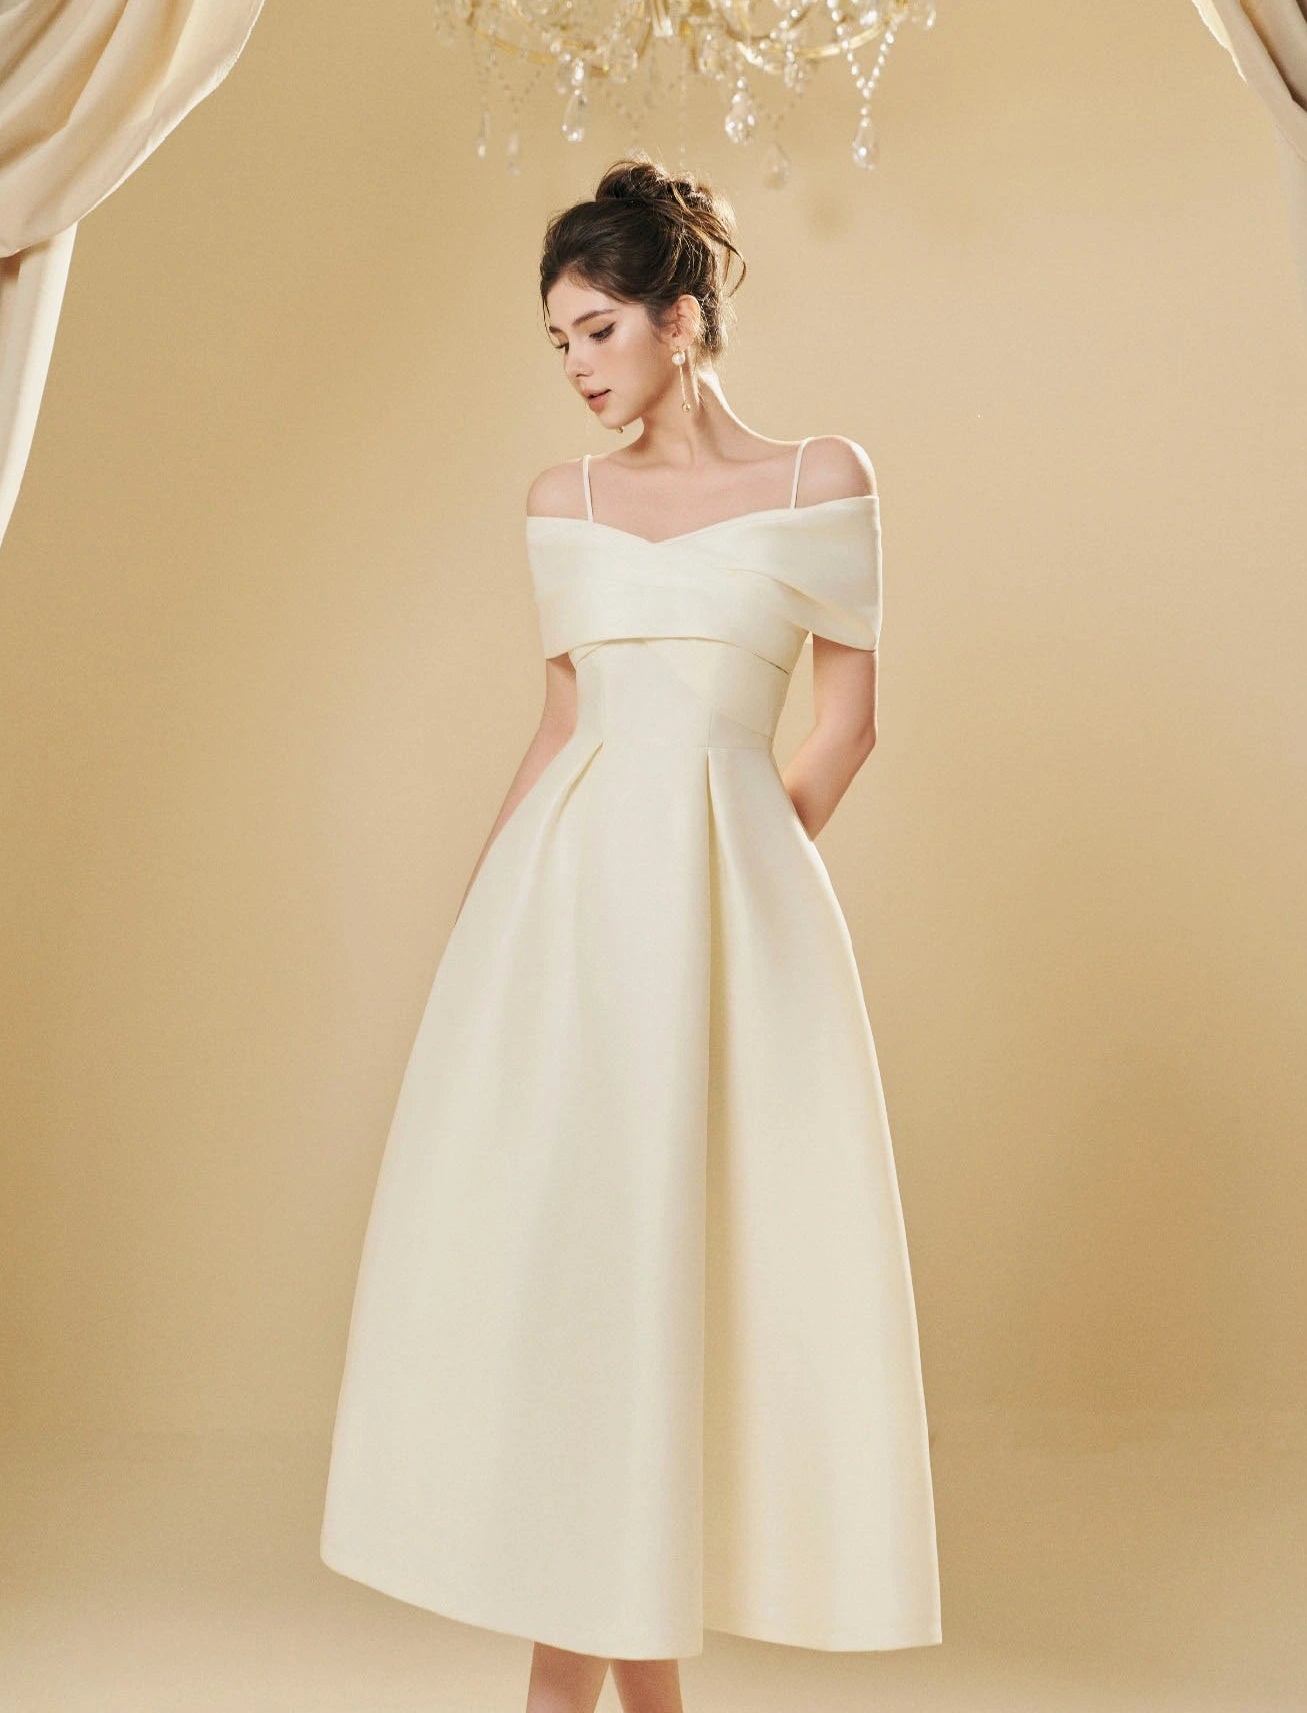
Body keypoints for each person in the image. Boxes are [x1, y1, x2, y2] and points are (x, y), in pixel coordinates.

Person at [320, 157, 942, 1713]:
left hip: (726, 931)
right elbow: (560, 728)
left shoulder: (824, 481)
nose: (581, 367)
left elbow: (848, 728)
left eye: (598, 330)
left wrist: (735, 881)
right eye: (561, 343)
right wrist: (486, 928)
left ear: (681, 319)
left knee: (673, 1276)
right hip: (564, 923)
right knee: (581, 1279)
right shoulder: (561, 505)